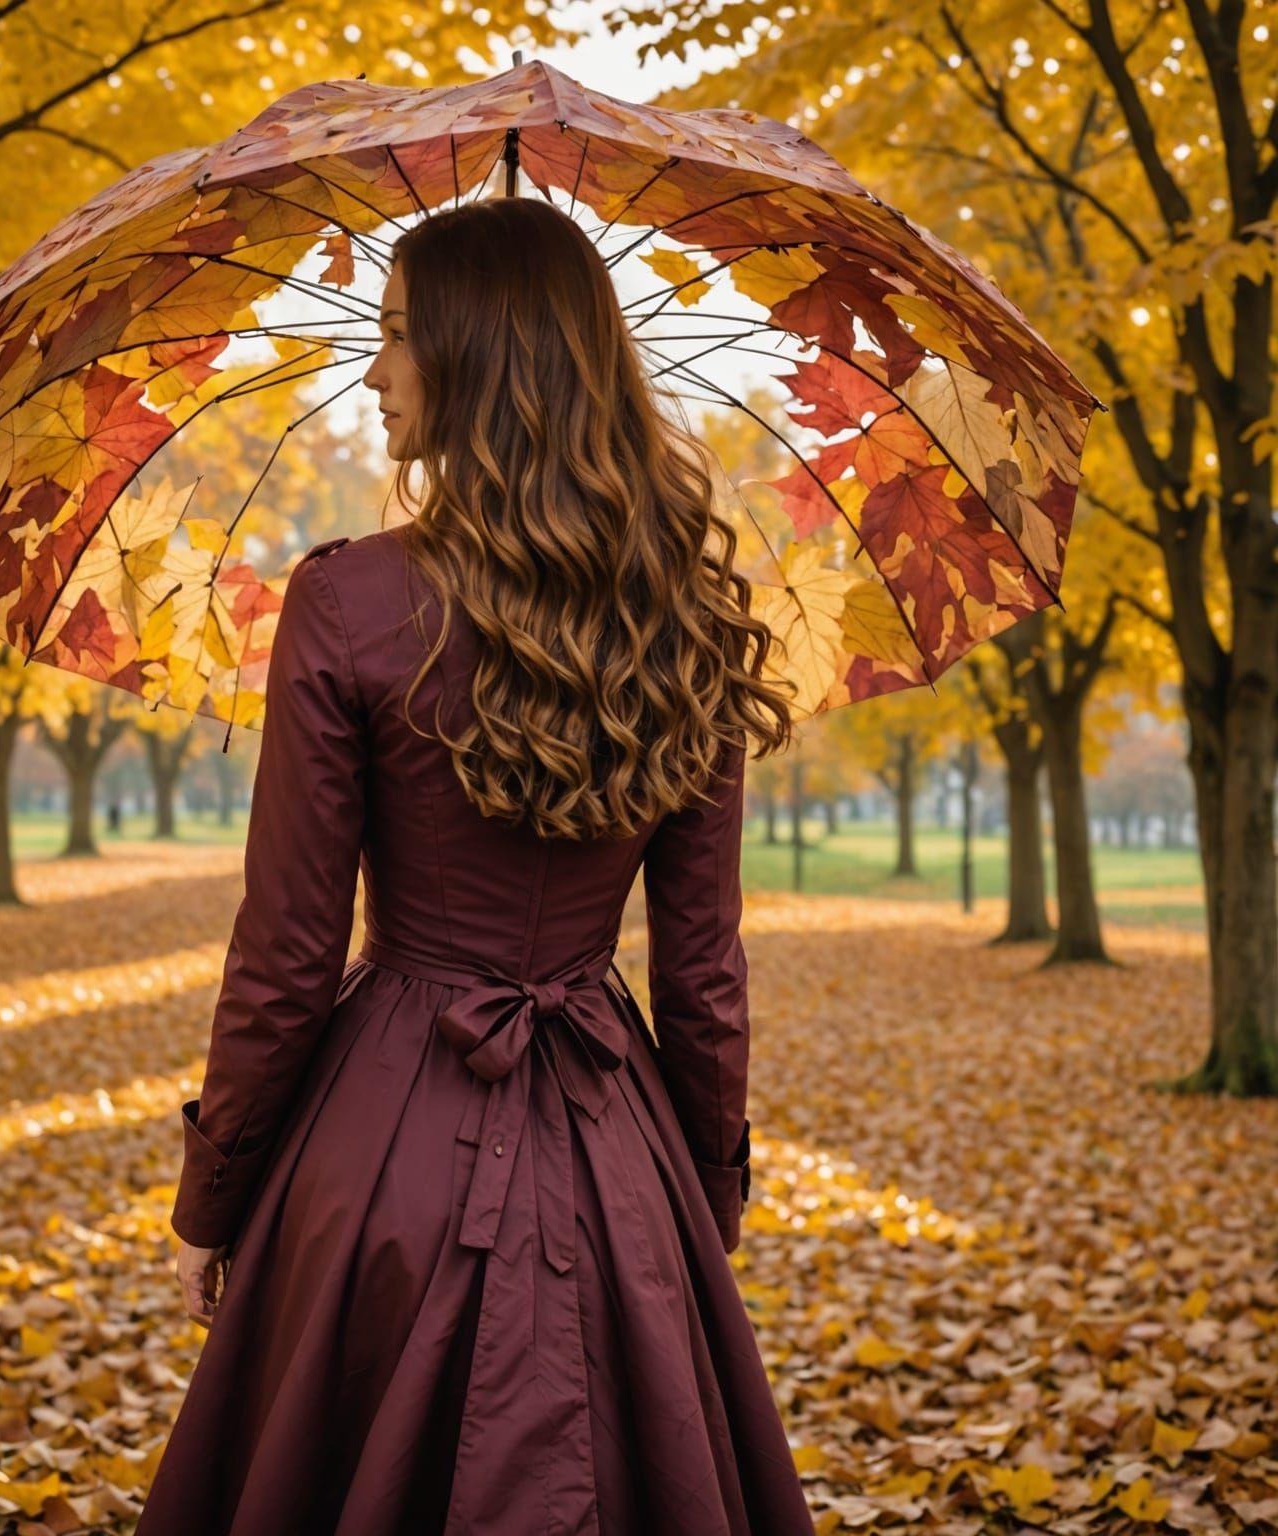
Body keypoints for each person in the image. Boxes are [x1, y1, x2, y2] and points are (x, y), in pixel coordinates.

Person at [135, 196, 814, 1535]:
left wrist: (216, 1198)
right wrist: (702, 1208)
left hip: (382, 1145)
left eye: (397, 339)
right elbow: (702, 973)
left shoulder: (343, 603)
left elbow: (285, 952)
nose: (374, 374)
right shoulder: (687, 620)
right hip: (616, 1156)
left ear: (476, 354)